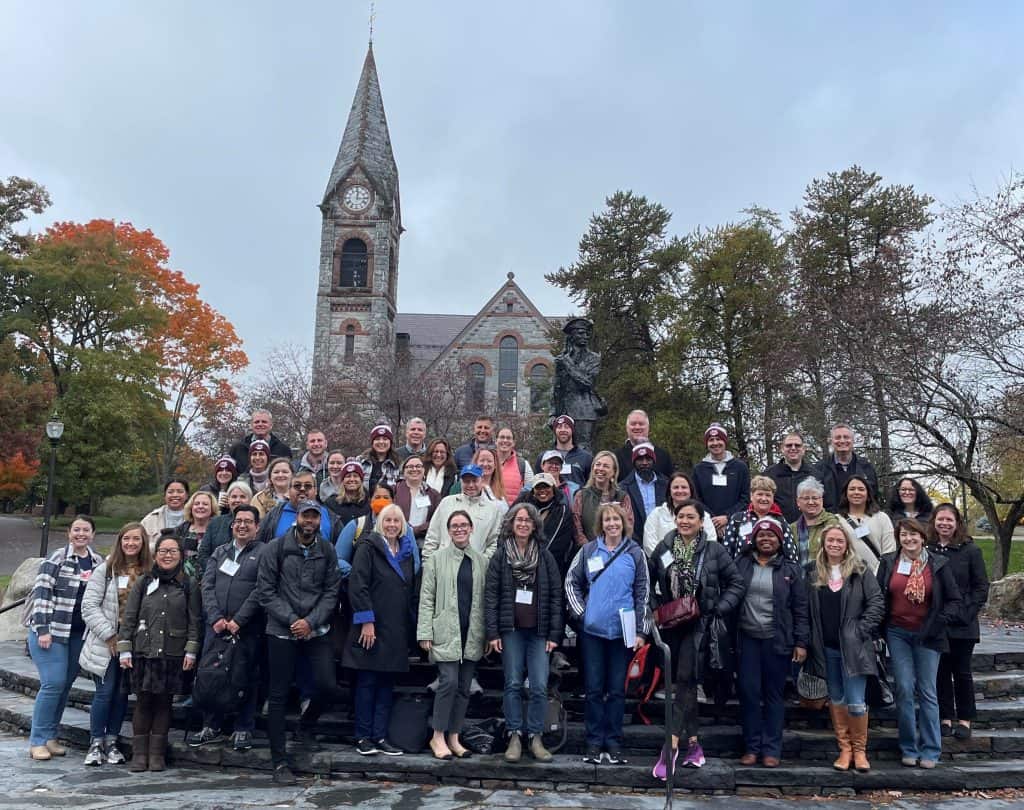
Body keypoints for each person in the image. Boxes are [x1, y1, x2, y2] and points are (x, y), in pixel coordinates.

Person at [648, 500, 745, 777]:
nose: (685, 521)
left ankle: (671, 746)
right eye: (681, 516)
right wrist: (656, 607)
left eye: (691, 517)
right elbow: (647, 579)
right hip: (672, 622)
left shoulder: (714, 551)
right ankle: (694, 745)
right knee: (684, 682)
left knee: (684, 679)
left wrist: (718, 609)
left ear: (702, 522)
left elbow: (736, 583)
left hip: (701, 625)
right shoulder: (665, 547)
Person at [256, 501, 343, 785]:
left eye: (314, 517)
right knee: (279, 695)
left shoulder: (327, 549)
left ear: (320, 521)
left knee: (327, 685)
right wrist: (293, 619)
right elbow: (266, 590)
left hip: (315, 629)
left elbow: (332, 591)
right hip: (281, 629)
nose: (309, 521)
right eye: (305, 515)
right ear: (297, 519)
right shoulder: (276, 548)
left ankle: (306, 726)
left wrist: (311, 622)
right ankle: (279, 761)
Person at [566, 503, 649, 765]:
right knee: (593, 689)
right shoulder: (589, 550)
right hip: (592, 631)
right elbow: (571, 582)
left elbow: (643, 592)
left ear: (624, 522)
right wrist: (582, 614)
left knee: (616, 690)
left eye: (616, 519)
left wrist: (640, 631)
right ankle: (593, 742)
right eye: (607, 520)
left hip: (622, 633)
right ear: (600, 524)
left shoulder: (635, 553)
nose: (612, 523)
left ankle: (612, 742)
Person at [876, 518, 962, 769]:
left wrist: (940, 622)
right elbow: (879, 596)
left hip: (928, 634)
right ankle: (908, 746)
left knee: (927, 691)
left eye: (914, 535)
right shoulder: (889, 562)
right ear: (898, 537)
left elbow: (954, 600)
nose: (909, 539)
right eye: (904, 535)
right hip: (897, 632)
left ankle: (931, 749)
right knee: (903, 688)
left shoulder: (938, 564)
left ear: (923, 538)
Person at [485, 503, 564, 763]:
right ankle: (515, 734)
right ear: (511, 523)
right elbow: (491, 595)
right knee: (513, 684)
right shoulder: (500, 556)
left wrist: (555, 634)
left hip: (539, 632)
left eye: (527, 520)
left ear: (534, 526)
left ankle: (535, 736)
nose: (522, 524)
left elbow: (555, 595)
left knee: (540, 685)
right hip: (511, 631)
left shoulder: (545, 556)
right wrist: (493, 632)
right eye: (518, 519)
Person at [118, 534, 201, 772]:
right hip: (144, 651)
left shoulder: (188, 584)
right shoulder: (144, 582)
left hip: (173, 652)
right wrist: (125, 648)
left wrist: (191, 650)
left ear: (181, 555)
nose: (167, 556)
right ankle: (139, 754)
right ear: (155, 555)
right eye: (163, 551)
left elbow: (195, 621)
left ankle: (157, 755)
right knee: (143, 702)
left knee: (164, 703)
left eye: (173, 551)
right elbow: (130, 617)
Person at [804, 525, 884, 773]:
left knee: (856, 701)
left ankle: (860, 751)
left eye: (840, 540)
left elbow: (877, 602)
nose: (835, 544)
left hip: (854, 649)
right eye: (831, 540)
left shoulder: (860, 570)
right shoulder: (812, 572)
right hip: (826, 648)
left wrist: (860, 630)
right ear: (823, 543)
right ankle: (845, 748)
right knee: (837, 699)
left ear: (847, 544)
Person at [25, 516, 104, 761]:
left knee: (64, 686)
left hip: (78, 634)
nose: (81, 534)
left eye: (86, 530)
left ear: (92, 534)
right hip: (52, 631)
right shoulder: (56, 559)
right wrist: (42, 629)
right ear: (69, 533)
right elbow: (41, 594)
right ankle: (37, 740)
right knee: (53, 684)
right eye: (77, 530)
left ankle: (50, 736)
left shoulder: (98, 561)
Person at [733, 519, 808, 768]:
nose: (766, 539)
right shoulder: (741, 564)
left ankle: (771, 750)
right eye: (761, 535)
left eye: (772, 535)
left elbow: (800, 608)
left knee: (774, 696)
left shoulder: (791, 569)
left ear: (780, 540)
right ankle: (752, 748)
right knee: (749, 693)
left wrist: (801, 642)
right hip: (747, 639)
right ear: (754, 539)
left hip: (778, 640)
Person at [344, 504, 417, 757]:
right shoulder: (368, 547)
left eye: (397, 521)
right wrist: (366, 620)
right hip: (371, 626)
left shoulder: (407, 552)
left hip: (396, 627)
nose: (392, 525)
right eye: (388, 521)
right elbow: (358, 584)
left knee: (386, 684)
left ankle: (380, 735)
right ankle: (363, 736)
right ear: (380, 523)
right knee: (367, 682)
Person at [193, 504, 265, 752]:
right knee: (213, 676)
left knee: (247, 677)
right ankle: (211, 725)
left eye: (248, 521)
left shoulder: (264, 553)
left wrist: (239, 620)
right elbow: (207, 585)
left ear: (257, 527)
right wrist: (215, 616)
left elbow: (260, 590)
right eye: (238, 521)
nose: (242, 525)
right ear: (232, 525)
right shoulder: (220, 551)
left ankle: (243, 727)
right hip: (217, 627)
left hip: (247, 628)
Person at [416, 510, 488, 760]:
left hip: (472, 630)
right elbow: (426, 598)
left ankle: (454, 737)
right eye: (454, 525)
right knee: (448, 682)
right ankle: (437, 736)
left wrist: (488, 634)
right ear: (448, 531)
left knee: (464, 687)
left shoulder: (480, 560)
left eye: (464, 525)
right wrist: (425, 631)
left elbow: (485, 600)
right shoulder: (436, 559)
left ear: (471, 528)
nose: (459, 529)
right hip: (445, 628)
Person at [79, 522, 153, 766]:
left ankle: (112, 741)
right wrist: (110, 636)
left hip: (134, 644)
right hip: (107, 642)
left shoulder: (149, 571)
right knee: (105, 692)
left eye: (136, 539)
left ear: (143, 543)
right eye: (126, 539)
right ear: (120, 541)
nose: (130, 543)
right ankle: (96, 742)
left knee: (122, 694)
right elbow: (89, 606)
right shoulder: (107, 569)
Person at [928, 504, 990, 740]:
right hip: (937, 621)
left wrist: (966, 613)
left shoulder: (970, 550)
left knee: (961, 671)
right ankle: (945, 717)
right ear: (934, 521)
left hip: (963, 622)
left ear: (957, 523)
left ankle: (964, 719)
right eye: (940, 519)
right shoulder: (928, 549)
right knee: (941, 672)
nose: (944, 524)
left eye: (949, 520)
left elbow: (980, 587)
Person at [423, 465, 503, 560]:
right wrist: (427, 562)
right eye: (466, 481)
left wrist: (482, 563)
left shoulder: (493, 509)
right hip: (443, 564)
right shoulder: (447, 502)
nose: (471, 485)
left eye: (474, 481)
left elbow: (493, 542)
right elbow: (433, 535)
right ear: (460, 482)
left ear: (482, 480)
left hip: (474, 566)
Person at [551, 318, 608, 451]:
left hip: (584, 411)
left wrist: (567, 364)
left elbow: (587, 383)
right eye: (580, 333)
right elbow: (556, 388)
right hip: (563, 411)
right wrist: (552, 414)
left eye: (586, 333)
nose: (585, 336)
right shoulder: (564, 358)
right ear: (572, 336)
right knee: (561, 449)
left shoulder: (593, 358)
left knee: (583, 449)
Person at [721, 476, 798, 562]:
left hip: (773, 572)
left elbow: (791, 553)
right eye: (760, 494)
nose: (764, 498)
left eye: (768, 495)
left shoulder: (780, 521)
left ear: (773, 498)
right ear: (751, 496)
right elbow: (726, 551)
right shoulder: (738, 519)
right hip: (741, 572)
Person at [692, 422, 750, 537]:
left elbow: (745, 499)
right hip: (707, 526)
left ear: (725, 441)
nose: (715, 443)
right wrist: (713, 521)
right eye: (711, 440)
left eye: (718, 439)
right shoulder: (699, 469)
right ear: (707, 443)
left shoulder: (740, 467)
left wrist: (727, 518)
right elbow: (696, 498)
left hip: (736, 526)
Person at [642, 471, 716, 558]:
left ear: (690, 490)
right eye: (676, 487)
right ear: (669, 490)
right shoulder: (656, 514)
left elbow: (711, 541)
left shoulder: (704, 516)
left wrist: (691, 564)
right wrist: (672, 564)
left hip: (697, 568)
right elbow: (649, 544)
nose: (680, 490)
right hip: (663, 568)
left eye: (684, 487)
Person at [514, 473, 575, 577]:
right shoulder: (521, 503)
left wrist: (536, 561)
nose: (542, 490)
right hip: (518, 563)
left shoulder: (563, 511)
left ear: (554, 488)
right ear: (533, 490)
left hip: (548, 569)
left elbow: (559, 544)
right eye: (538, 487)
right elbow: (508, 527)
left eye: (546, 486)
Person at [571, 450, 635, 547]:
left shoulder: (622, 497)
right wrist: (590, 549)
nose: (600, 468)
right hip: (589, 553)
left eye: (605, 466)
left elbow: (628, 526)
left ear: (614, 472)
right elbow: (576, 527)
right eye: (598, 464)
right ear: (593, 468)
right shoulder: (581, 495)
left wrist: (614, 549)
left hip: (617, 552)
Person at [256, 469, 334, 545]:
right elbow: (258, 545)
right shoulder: (274, 515)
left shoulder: (330, 516)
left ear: (316, 490)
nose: (302, 489)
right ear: (289, 490)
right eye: (297, 486)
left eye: (308, 486)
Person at [837, 474, 895, 574]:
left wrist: (880, 574)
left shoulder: (882, 518)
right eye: (852, 489)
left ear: (868, 494)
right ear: (846, 493)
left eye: (861, 489)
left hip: (878, 578)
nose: (856, 492)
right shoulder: (837, 520)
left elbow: (889, 551)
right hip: (847, 577)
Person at [815, 423, 879, 512]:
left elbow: (874, 498)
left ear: (853, 440)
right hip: (830, 522)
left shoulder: (866, 468)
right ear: (831, 441)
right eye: (838, 437)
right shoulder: (819, 469)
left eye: (846, 437)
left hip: (861, 521)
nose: (842, 441)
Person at [197, 481, 254, 574]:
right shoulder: (216, 522)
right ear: (228, 500)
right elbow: (203, 554)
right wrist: (216, 572)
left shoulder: (256, 524)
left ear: (250, 500)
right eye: (234, 497)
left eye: (242, 497)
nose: (238, 500)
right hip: (215, 576)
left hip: (246, 577)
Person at [763, 432, 815, 524]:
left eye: (797, 445)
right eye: (789, 445)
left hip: (809, 530)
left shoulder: (815, 475)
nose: (793, 448)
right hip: (778, 530)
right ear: (782, 449)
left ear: (803, 449)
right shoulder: (769, 475)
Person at [621, 442, 668, 540]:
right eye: (640, 459)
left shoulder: (667, 485)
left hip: (663, 540)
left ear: (654, 461)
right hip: (634, 542)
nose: (644, 463)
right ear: (634, 462)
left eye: (648, 459)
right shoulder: (623, 488)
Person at [790, 477, 841, 568]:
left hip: (826, 577)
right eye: (806, 498)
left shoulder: (832, 523)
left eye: (815, 498)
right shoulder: (792, 528)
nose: (811, 502)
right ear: (798, 502)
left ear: (821, 500)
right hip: (798, 579)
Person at [613, 409, 673, 481]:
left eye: (641, 424)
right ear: (627, 428)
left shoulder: (663, 455)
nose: (637, 427)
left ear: (648, 427)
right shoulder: (616, 457)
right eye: (633, 424)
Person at [534, 414, 592, 487]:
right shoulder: (543, 456)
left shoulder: (586, 457)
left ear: (572, 430)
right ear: (555, 431)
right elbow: (536, 482)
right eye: (559, 427)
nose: (563, 430)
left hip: (576, 497)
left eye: (566, 427)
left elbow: (590, 484)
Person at [228, 408, 293, 474]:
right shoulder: (237, 448)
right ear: (251, 425)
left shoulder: (283, 450)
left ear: (271, 425)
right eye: (257, 422)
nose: (260, 424)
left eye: (264, 422)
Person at [395, 454, 441, 543]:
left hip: (424, 541)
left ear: (424, 470)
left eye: (418, 466)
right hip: (398, 538)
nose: (414, 469)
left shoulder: (434, 494)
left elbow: (437, 519)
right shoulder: (395, 490)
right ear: (404, 471)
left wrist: (417, 530)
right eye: (410, 467)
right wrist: (406, 529)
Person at [173, 491, 217, 578]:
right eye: (197, 504)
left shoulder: (218, 529)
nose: (200, 506)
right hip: (184, 582)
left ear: (212, 508)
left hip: (211, 580)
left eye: (205, 504)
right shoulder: (179, 530)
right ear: (191, 508)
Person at [141, 479, 190, 550]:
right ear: (165, 495)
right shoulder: (151, 518)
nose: (175, 495)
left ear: (187, 495)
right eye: (170, 492)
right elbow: (139, 544)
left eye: (180, 491)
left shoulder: (196, 517)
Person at [323, 458, 370, 527]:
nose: (352, 479)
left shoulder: (369, 503)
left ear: (361, 480)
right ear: (342, 480)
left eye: (355, 476)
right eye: (348, 476)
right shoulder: (331, 503)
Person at [495, 426, 534, 504]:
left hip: (514, 514)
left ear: (513, 443)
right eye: (502, 437)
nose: (505, 440)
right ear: (496, 441)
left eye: (508, 438)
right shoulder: (488, 463)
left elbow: (531, 491)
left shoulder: (523, 464)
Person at [359, 424, 401, 493]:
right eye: (377, 439)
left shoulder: (398, 464)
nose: (381, 442)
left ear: (390, 442)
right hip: (364, 502)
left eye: (385, 439)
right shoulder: (361, 461)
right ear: (372, 443)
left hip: (390, 503)